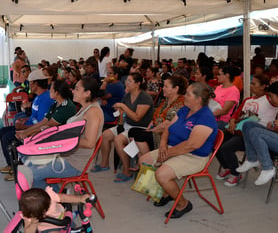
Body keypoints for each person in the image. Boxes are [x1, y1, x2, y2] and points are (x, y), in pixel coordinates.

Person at [138, 82, 217, 219]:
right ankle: (165, 193)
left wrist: (167, 154)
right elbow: (168, 127)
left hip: (194, 156)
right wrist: (163, 144)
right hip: (173, 148)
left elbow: (191, 145)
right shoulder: (185, 109)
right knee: (143, 161)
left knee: (162, 174)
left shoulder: (206, 118)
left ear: (198, 99)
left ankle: (183, 204)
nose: (184, 96)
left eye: (187, 94)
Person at [21, 77, 104, 189]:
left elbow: (89, 143)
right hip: (67, 155)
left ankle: (55, 199)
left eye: (77, 89)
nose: (73, 91)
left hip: (76, 163)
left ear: (87, 93)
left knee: (30, 174)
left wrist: (62, 138)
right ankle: (56, 196)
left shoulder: (93, 112)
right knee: (27, 157)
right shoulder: (85, 108)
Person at [216, 74, 277, 186]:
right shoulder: (248, 100)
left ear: (263, 86)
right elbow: (236, 114)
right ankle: (227, 167)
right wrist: (232, 121)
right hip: (238, 130)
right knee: (215, 141)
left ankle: (235, 174)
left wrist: (274, 87)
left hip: (253, 135)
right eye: (251, 83)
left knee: (226, 148)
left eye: (254, 83)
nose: (250, 85)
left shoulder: (270, 99)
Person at [92, 73, 154, 182]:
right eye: (126, 81)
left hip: (138, 129)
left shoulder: (144, 97)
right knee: (105, 135)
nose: (126, 83)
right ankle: (104, 163)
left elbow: (137, 118)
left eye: (130, 81)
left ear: (138, 84)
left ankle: (126, 171)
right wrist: (120, 111)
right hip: (126, 125)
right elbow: (123, 111)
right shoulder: (128, 95)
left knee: (118, 139)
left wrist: (123, 106)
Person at [0, 69, 54, 181]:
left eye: (30, 83)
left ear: (36, 83)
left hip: (34, 132)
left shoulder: (46, 99)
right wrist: (24, 120)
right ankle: (11, 166)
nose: (29, 85)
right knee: (2, 131)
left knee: (7, 138)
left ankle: (16, 170)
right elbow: (34, 117)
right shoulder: (38, 97)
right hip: (28, 127)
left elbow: (41, 125)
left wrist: (23, 128)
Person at [126, 75, 187, 168]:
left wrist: (152, 131)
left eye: (166, 86)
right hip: (157, 130)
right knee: (133, 133)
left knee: (137, 134)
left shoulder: (180, 103)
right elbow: (155, 117)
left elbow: (168, 124)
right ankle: (143, 161)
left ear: (176, 89)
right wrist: (149, 128)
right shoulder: (166, 101)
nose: (163, 89)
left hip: (166, 135)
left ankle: (147, 164)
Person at [236, 80, 278, 186]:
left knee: (256, 132)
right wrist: (274, 126)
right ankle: (252, 159)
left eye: (271, 96)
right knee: (248, 125)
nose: (270, 99)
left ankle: (268, 168)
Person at [20, 187, 90, 233]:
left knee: (76, 228)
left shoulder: (49, 196)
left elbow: (64, 198)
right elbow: (28, 231)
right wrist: (33, 223)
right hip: (49, 228)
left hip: (63, 218)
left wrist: (80, 199)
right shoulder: (29, 214)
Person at [213, 65, 241, 129]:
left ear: (227, 75)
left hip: (222, 121)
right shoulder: (219, 87)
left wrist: (208, 114)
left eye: (219, 74)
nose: (217, 76)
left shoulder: (233, 91)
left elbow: (225, 111)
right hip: (213, 117)